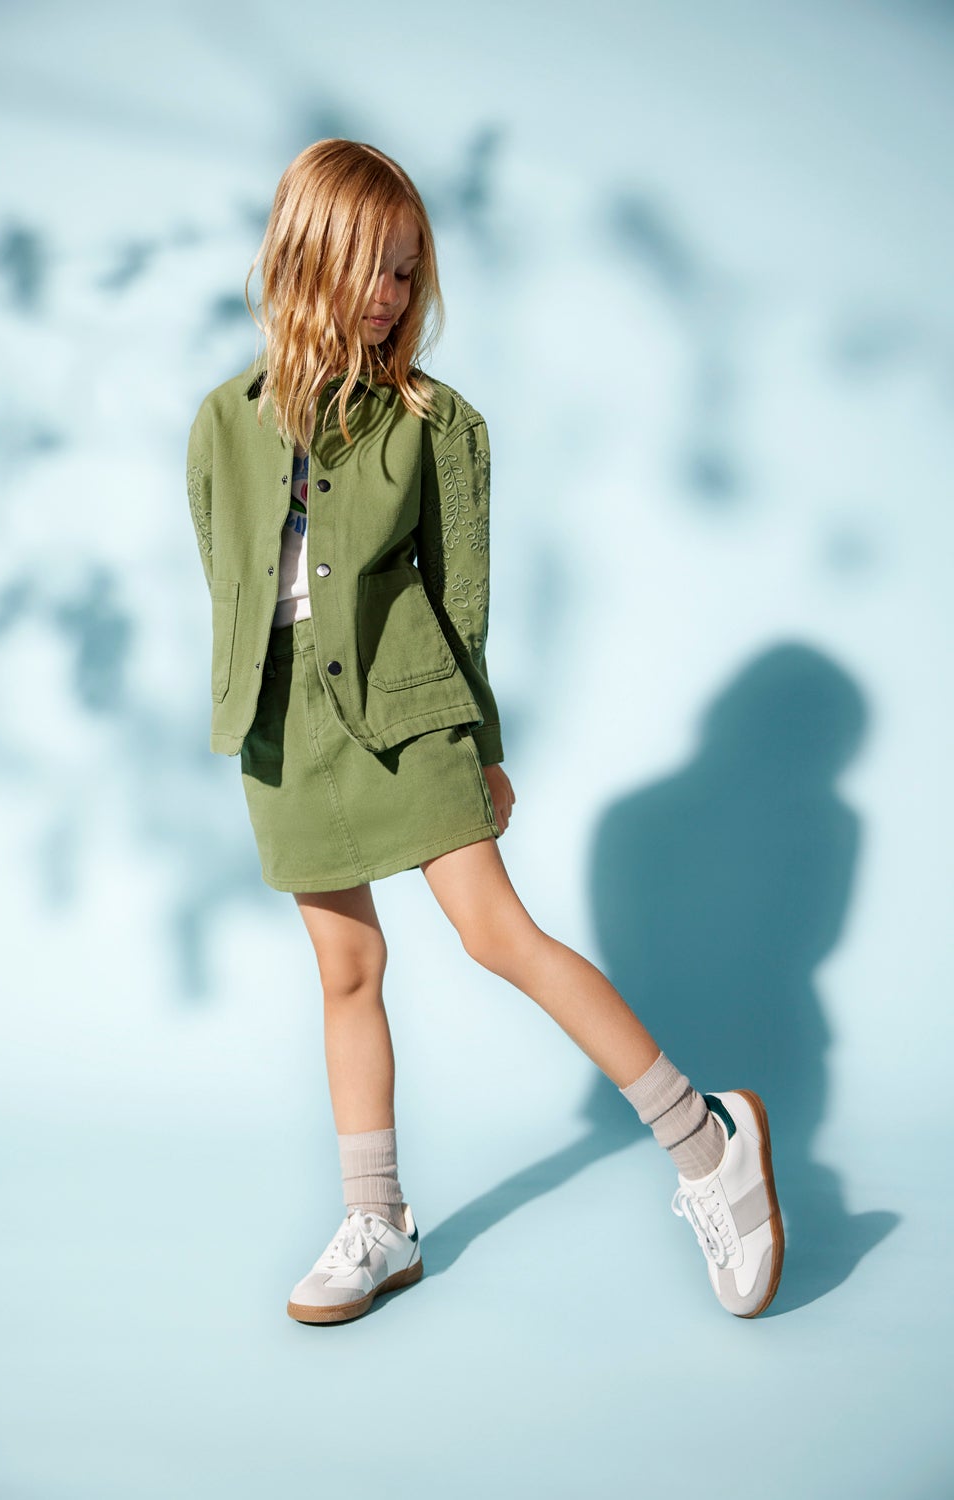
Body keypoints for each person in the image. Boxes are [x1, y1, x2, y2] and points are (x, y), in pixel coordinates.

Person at [185, 139, 783, 1324]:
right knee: (345, 969)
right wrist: (253, 714)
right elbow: (229, 580)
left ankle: (707, 1140)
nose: (392, 295)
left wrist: (484, 745)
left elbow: (463, 602)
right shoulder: (219, 423)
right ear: (307, 256)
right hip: (284, 728)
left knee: (496, 935)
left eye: (409, 271)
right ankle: (378, 1222)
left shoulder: (436, 423)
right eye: (374, 266)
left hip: (410, 711)